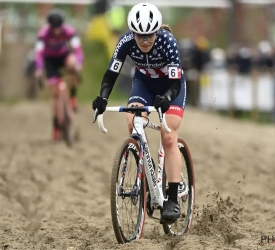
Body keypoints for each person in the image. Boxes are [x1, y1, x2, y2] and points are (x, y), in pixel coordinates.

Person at [92, 2, 186, 223]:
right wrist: (103, 97)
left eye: (149, 36)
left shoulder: (168, 42)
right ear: (132, 32)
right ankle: (146, 180)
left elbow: (175, 82)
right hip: (143, 83)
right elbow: (110, 74)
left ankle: (172, 198)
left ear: (156, 32)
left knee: (169, 135)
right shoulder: (125, 42)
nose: (144, 41)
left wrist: (167, 99)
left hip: (170, 87)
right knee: (132, 122)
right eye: (139, 36)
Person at [34, 8, 84, 140]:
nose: (57, 30)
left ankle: (73, 97)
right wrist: (39, 68)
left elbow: (77, 50)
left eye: (59, 27)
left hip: (63, 56)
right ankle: (56, 126)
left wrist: (78, 63)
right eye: (54, 28)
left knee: (73, 64)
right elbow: (38, 54)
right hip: (49, 61)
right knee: (55, 95)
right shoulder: (43, 34)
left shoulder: (69, 31)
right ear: (50, 26)